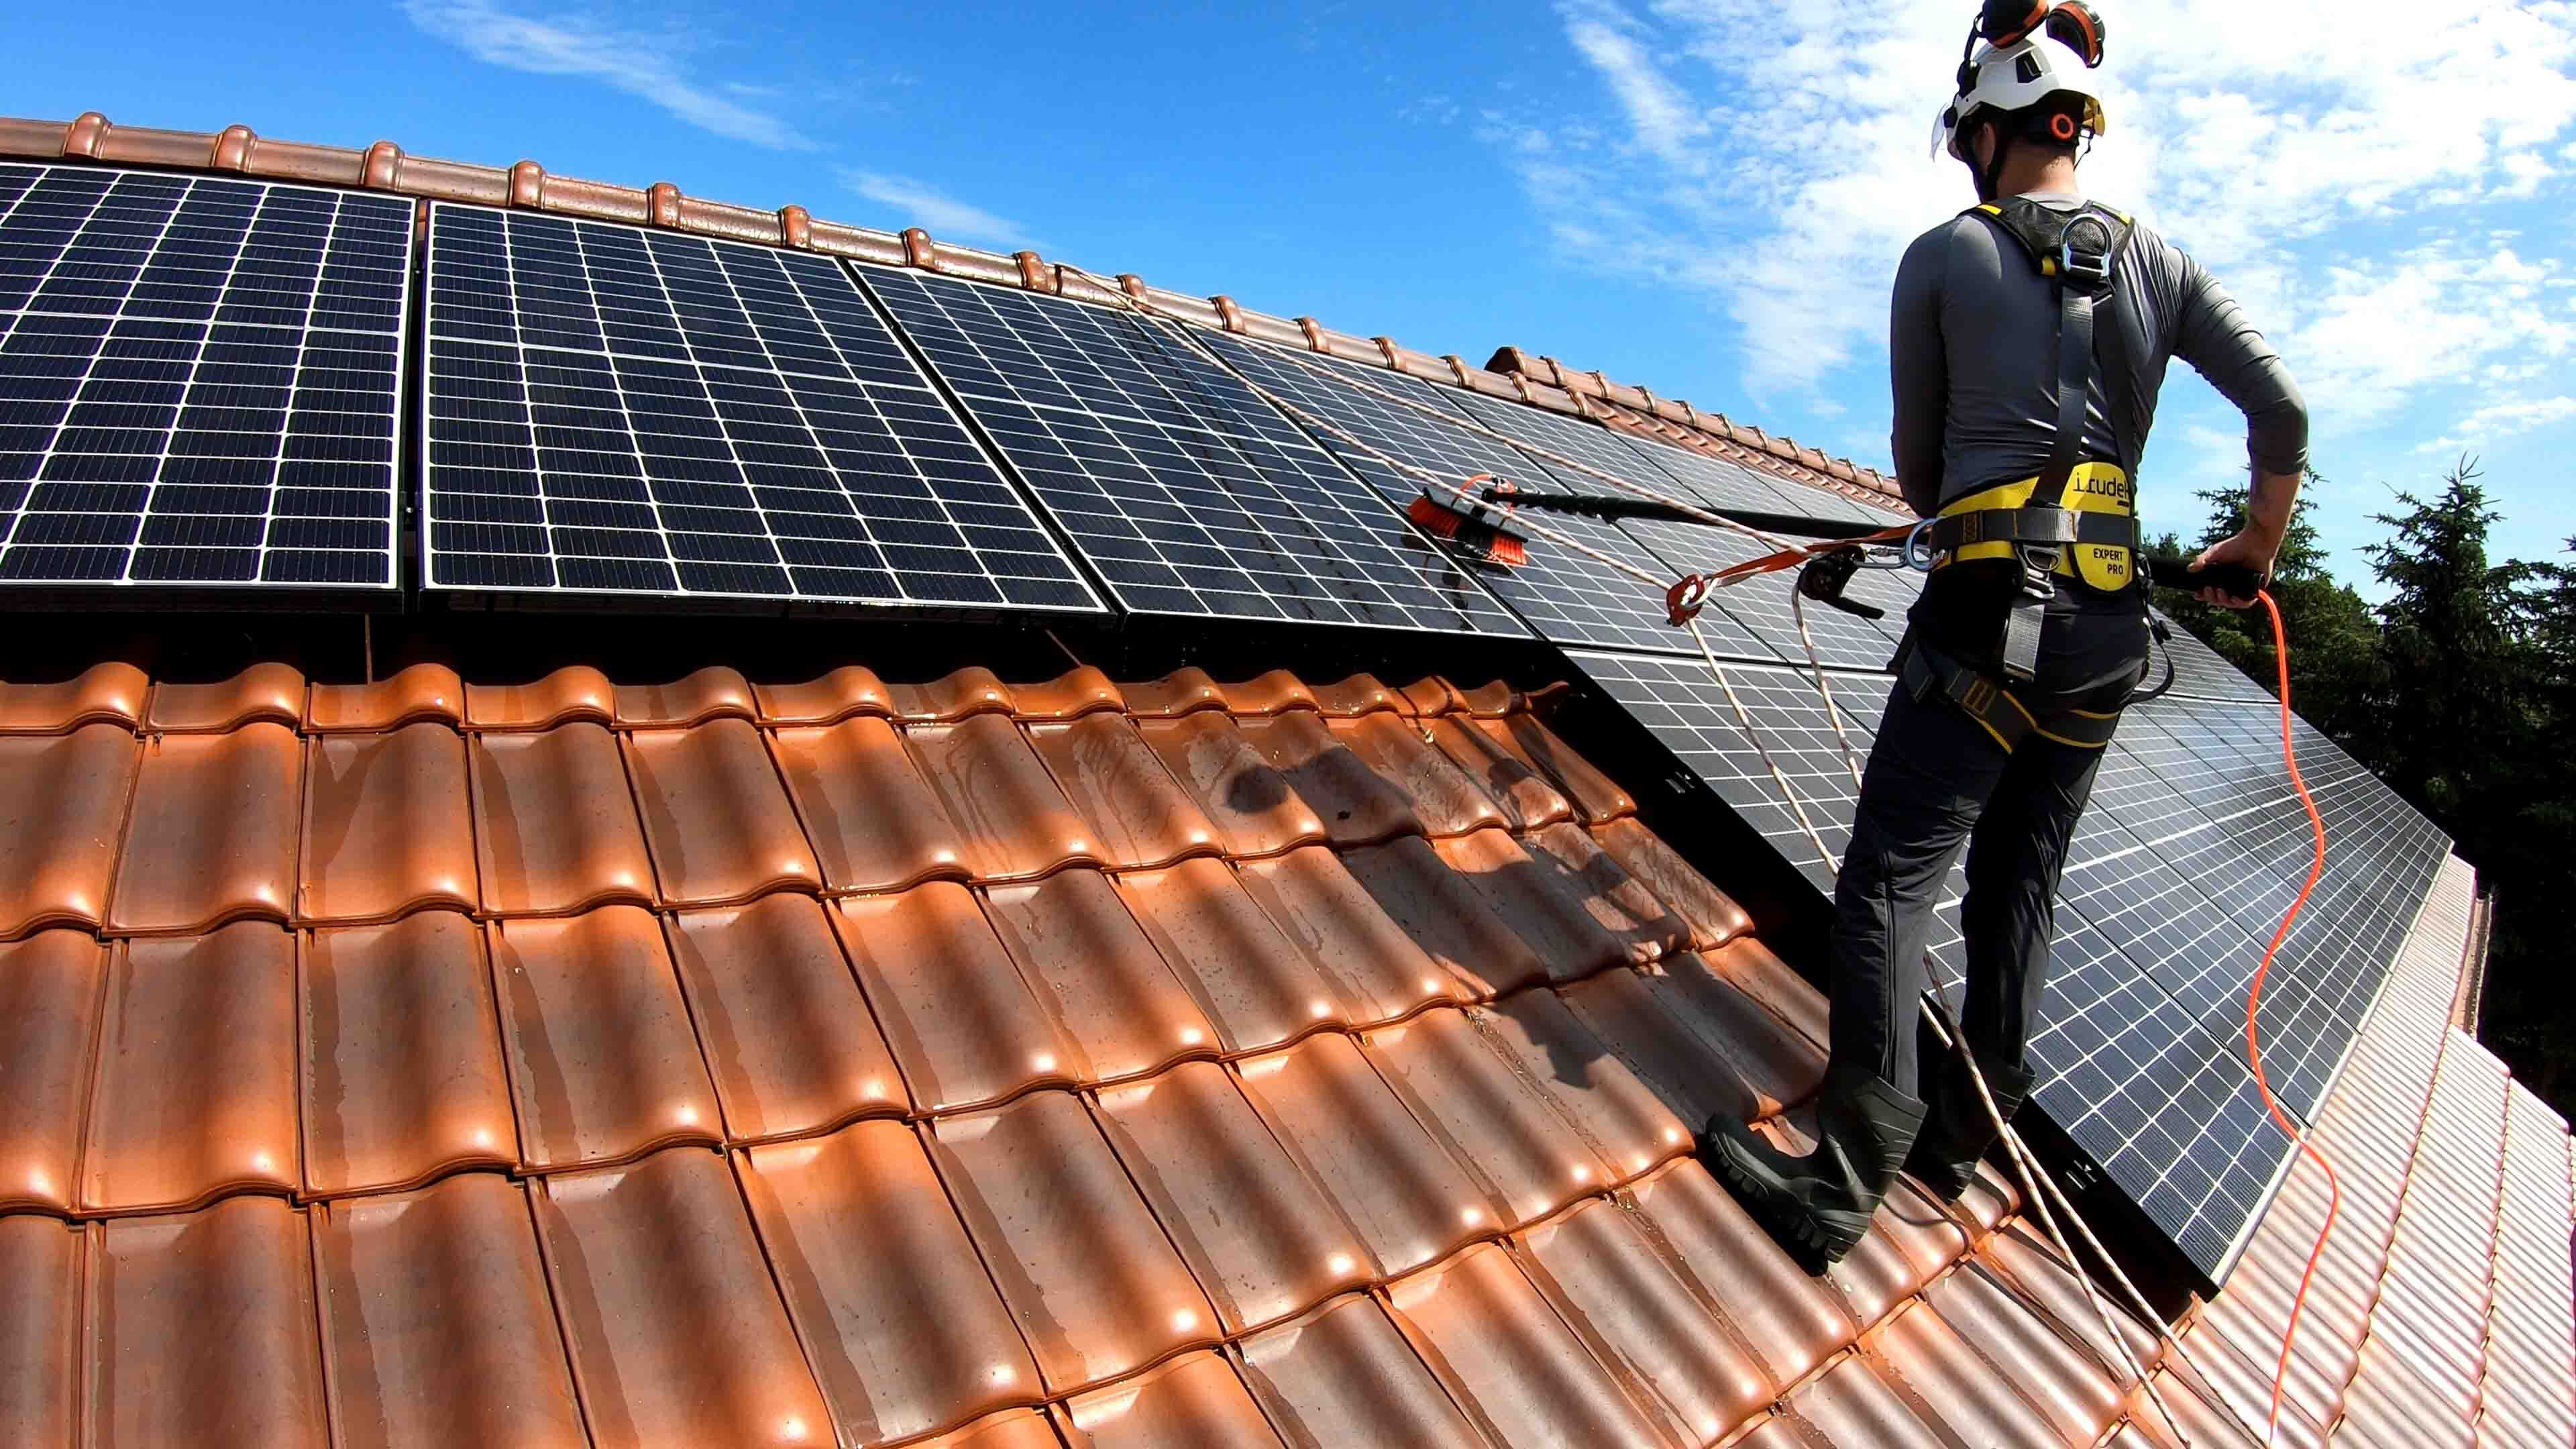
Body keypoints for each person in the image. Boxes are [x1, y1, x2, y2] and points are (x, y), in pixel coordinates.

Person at [1700, 0, 2309, 1269]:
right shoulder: (2166, 266)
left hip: (1984, 616)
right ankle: (1962, 1139)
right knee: (2022, 879)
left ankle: (1842, 1184)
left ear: (1988, 128)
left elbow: (1924, 480)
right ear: (2076, 123)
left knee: (1891, 881)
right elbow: (2283, 414)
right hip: (2107, 637)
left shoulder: (1943, 257)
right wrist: (2256, 544)